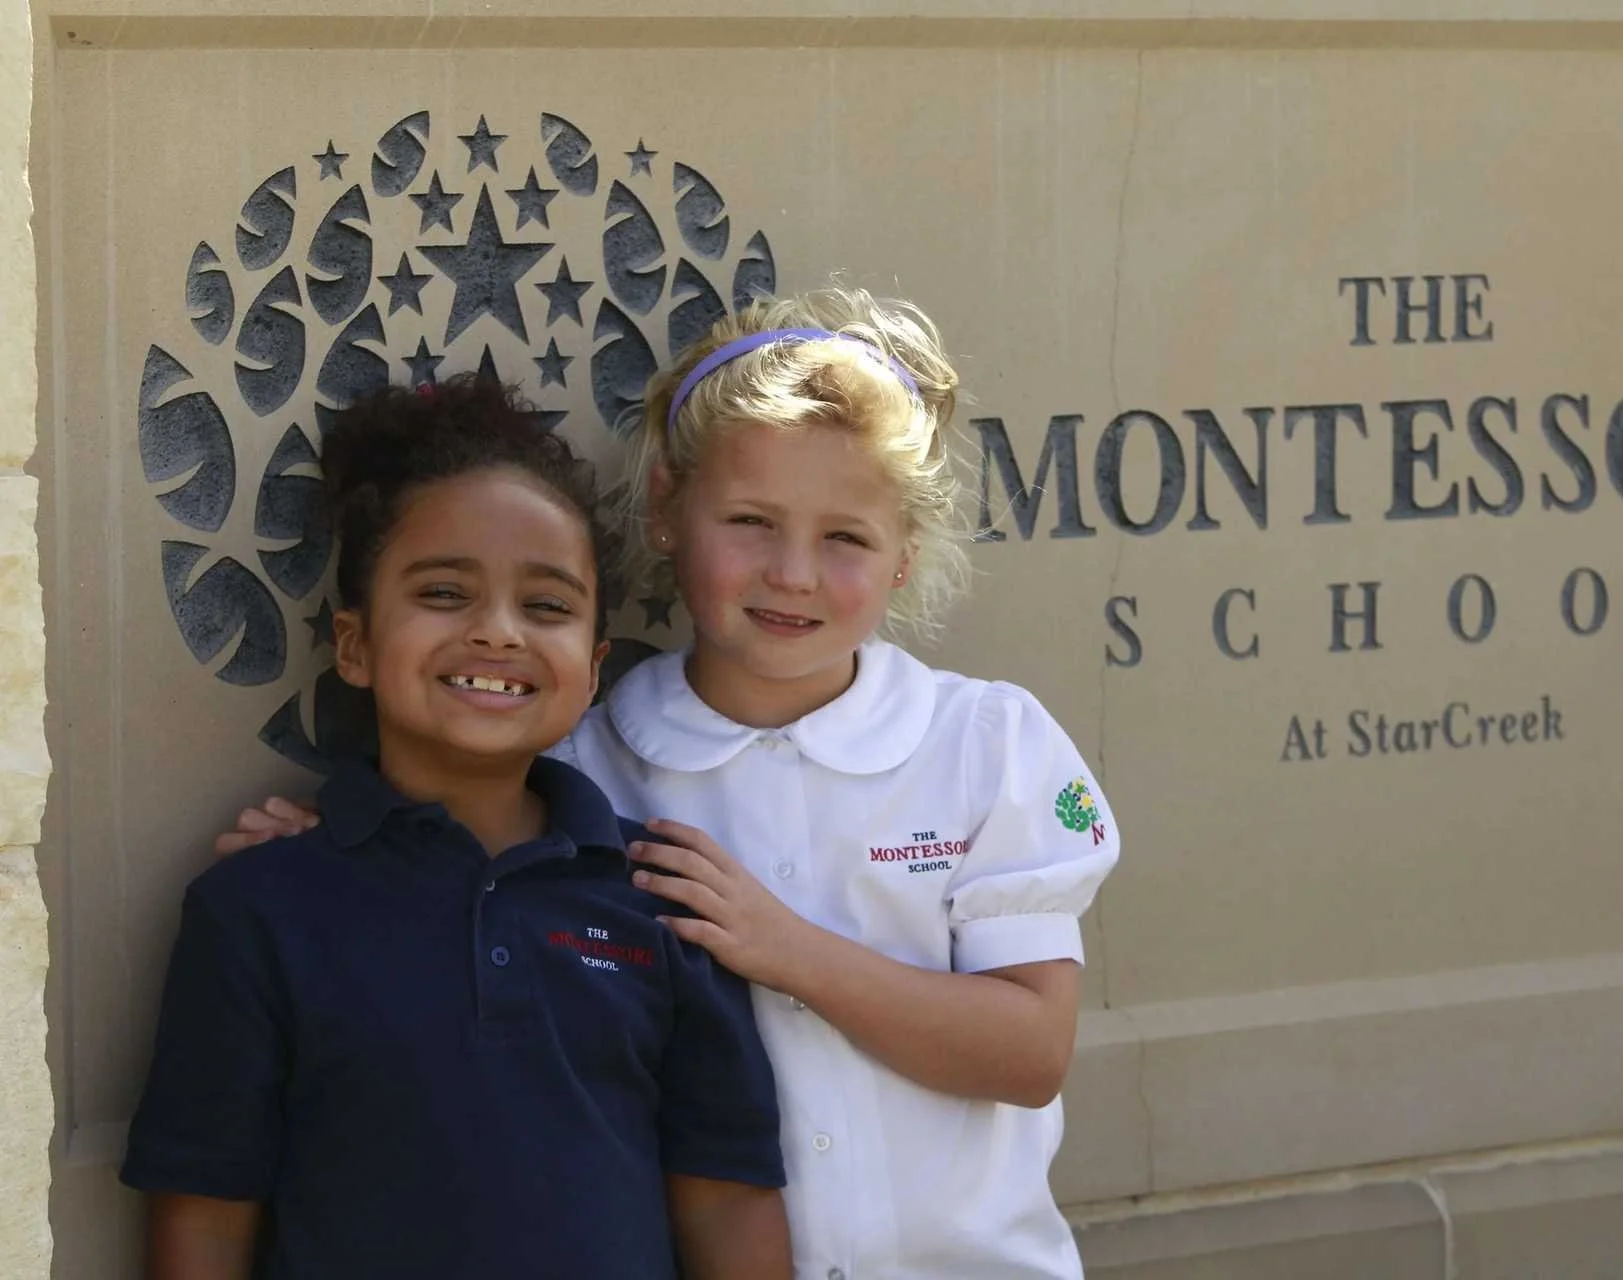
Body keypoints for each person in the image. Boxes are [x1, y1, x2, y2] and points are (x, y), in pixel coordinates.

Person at [217, 286, 1122, 1278]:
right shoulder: (583, 764)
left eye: (846, 538)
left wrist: (786, 948)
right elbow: (447, 896)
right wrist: (327, 857)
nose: (792, 572)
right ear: (665, 512)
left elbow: (1030, 1053)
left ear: (905, 552)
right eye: (750, 520)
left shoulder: (989, 744)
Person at [126, 375, 791, 1280]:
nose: (499, 633)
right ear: (355, 646)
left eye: (548, 606)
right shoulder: (257, 909)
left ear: (593, 668)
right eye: (444, 592)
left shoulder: (664, 903)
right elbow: (204, 1215)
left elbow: (724, 1200)